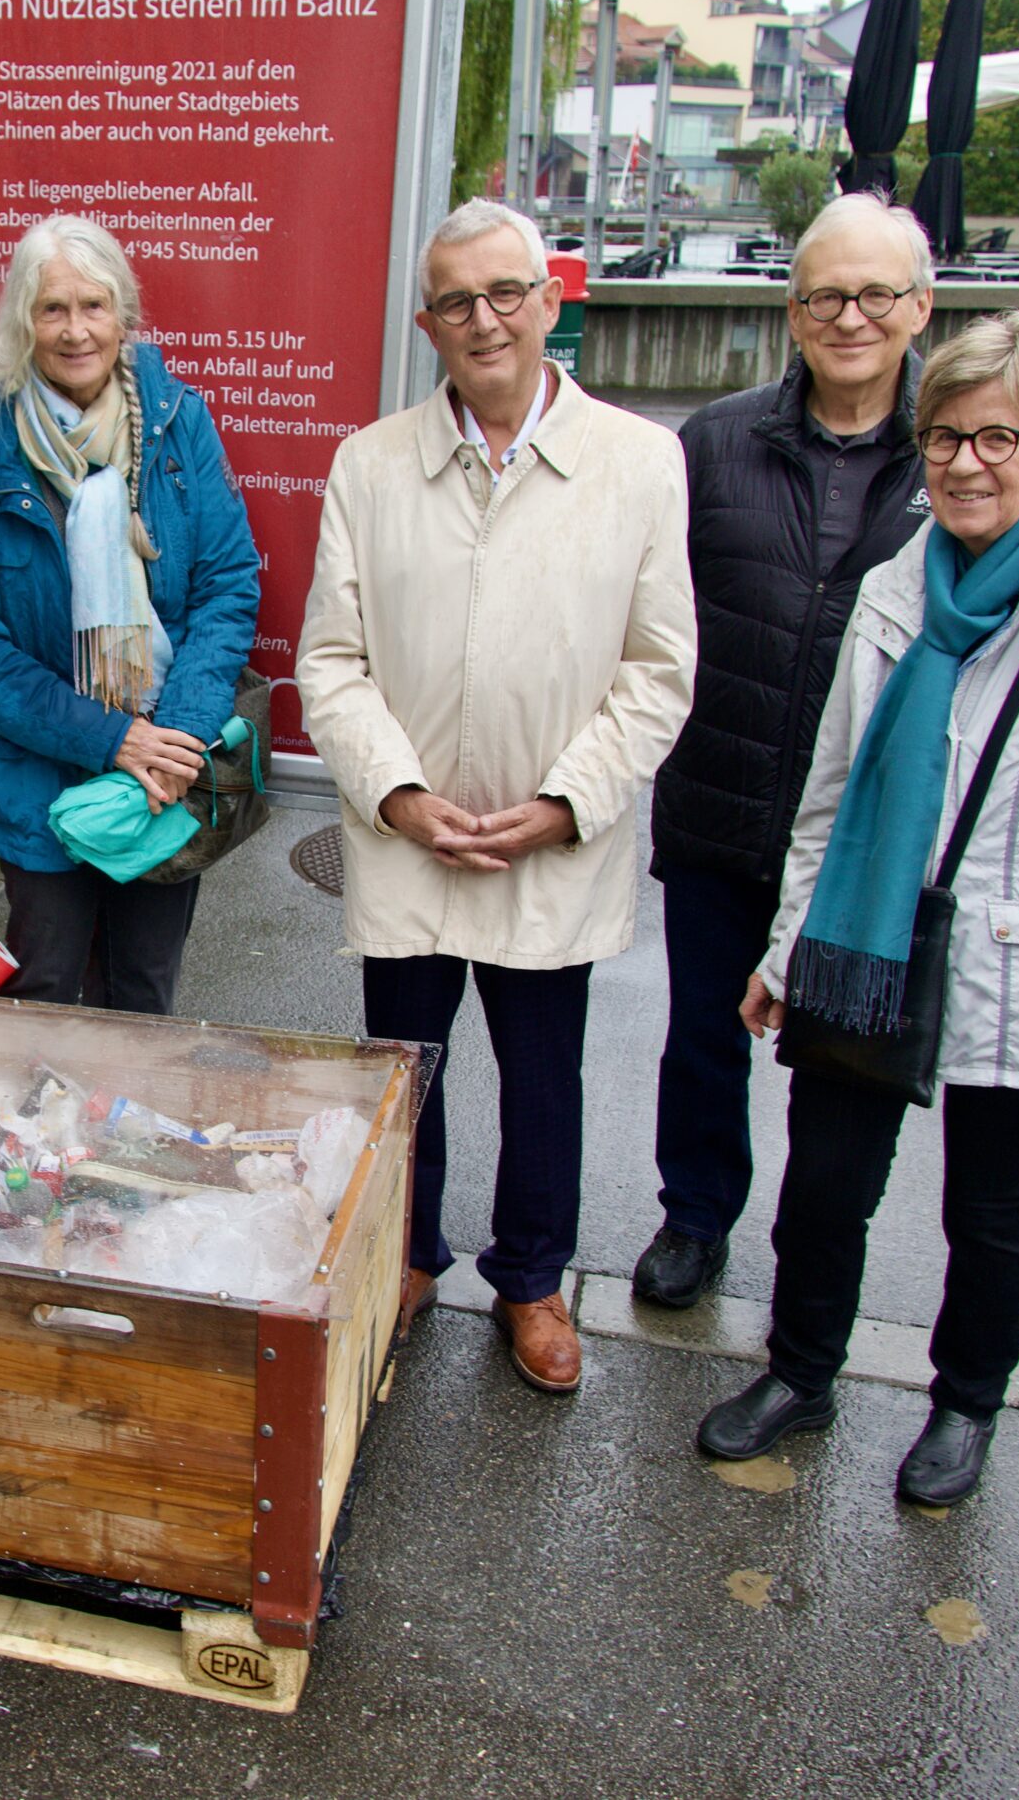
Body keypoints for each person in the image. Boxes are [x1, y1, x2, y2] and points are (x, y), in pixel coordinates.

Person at [698, 311, 1019, 1505]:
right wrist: (788, 946)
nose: (965, 463)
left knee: (986, 1212)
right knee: (824, 1187)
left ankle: (965, 1405)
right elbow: (831, 792)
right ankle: (800, 1372)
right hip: (863, 945)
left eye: (998, 439)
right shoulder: (894, 585)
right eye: (944, 437)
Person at [298, 199, 697, 1395]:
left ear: (548, 301)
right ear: (427, 324)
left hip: (548, 841)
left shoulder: (638, 462)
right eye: (457, 302)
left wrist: (567, 803)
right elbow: (331, 661)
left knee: (543, 1077)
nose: (485, 320)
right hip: (409, 838)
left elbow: (658, 668)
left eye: (506, 293)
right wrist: (399, 795)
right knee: (405, 1070)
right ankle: (407, 1254)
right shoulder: (372, 464)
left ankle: (531, 1280)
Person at [636, 193, 938, 1311]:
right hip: (719, 799)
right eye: (824, 296)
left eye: (875, 294)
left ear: (920, 306)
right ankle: (695, 1216)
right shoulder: (716, 442)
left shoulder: (952, 450)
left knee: (836, 1060)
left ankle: (810, 1260)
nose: (849, 317)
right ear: (793, 309)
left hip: (863, 831)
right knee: (702, 1038)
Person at [0, 216, 260, 1010]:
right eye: (53, 309)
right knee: (45, 989)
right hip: (35, 777)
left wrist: (177, 742)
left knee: (143, 992)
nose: (76, 330)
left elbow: (227, 583)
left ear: (123, 314)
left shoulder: (178, 423)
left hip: (164, 769)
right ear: (23, 322)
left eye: (93, 306)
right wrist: (112, 738)